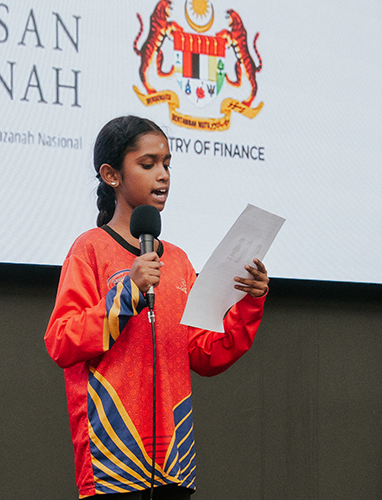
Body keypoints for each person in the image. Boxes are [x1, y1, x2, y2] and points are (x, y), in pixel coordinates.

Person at [45, 115, 269, 499]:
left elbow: (205, 353)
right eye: (148, 165)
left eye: (166, 163)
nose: (163, 175)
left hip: (173, 459)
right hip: (113, 455)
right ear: (111, 175)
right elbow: (62, 342)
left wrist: (250, 301)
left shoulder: (178, 261)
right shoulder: (91, 249)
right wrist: (128, 290)